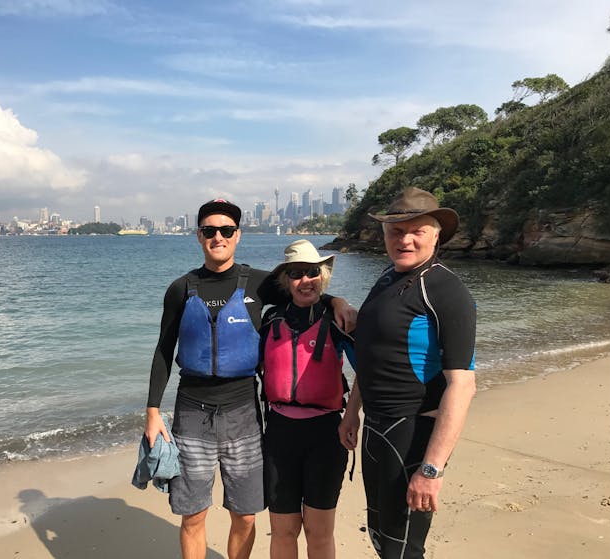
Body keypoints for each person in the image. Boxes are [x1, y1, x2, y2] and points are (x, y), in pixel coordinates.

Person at [145, 199, 355, 559]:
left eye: (226, 230)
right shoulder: (180, 288)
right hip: (191, 412)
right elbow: (164, 350)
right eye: (210, 230)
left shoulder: (259, 284)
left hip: (243, 412)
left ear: (238, 235)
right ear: (199, 236)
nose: (218, 237)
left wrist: (337, 301)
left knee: (244, 514)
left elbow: (305, 290)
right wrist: (152, 412)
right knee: (192, 515)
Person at [339, 187, 477, 559]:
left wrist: (432, 469)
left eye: (417, 230)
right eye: (396, 231)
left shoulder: (446, 289)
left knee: (404, 547)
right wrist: (353, 411)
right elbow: (371, 354)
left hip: (414, 433)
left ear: (436, 234)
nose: (405, 239)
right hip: (376, 427)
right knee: (382, 535)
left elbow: (462, 384)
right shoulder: (387, 279)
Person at [259, 239, 357, 559]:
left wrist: (352, 415)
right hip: (279, 435)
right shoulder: (270, 320)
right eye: (297, 274)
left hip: (326, 436)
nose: (306, 281)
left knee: (319, 531)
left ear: (322, 276)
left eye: (312, 273)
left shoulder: (338, 320)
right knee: (284, 531)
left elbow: (369, 373)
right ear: (286, 281)